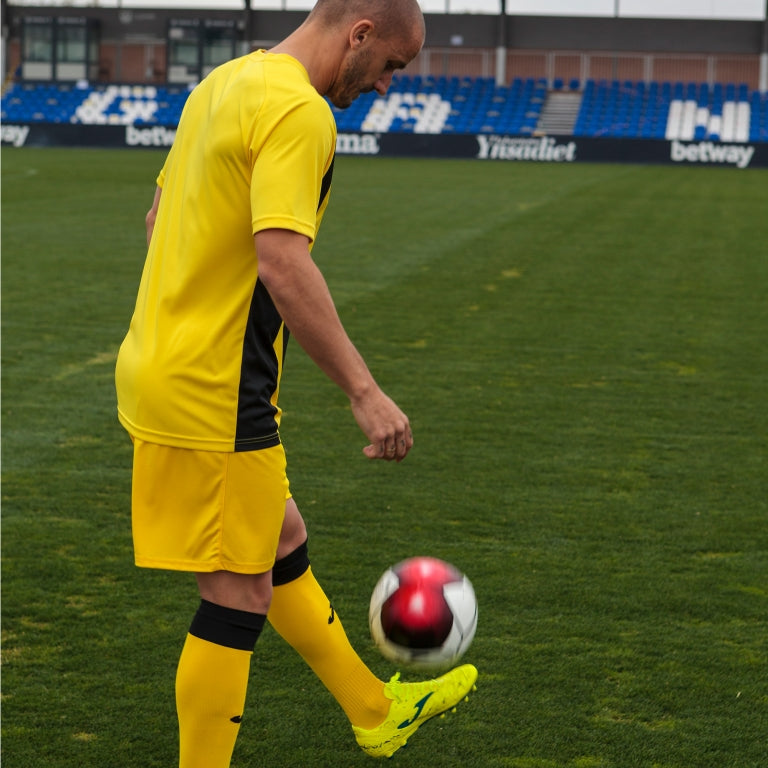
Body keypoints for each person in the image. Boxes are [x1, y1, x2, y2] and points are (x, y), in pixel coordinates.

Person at [115, 0, 478, 765]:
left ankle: (376, 710)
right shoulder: (300, 112)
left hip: (163, 363)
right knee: (236, 596)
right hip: (214, 388)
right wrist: (363, 391)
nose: (385, 85)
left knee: (280, 541)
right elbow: (282, 259)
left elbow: (157, 222)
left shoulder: (223, 83)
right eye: (390, 67)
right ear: (360, 33)